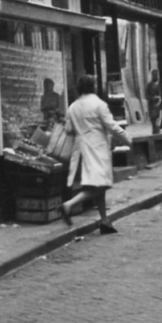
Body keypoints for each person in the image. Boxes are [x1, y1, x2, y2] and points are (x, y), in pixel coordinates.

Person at [59, 74, 130, 234]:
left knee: (98, 185)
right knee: (102, 185)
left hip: (81, 152)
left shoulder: (73, 107)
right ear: (93, 87)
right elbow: (112, 126)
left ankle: (105, 221)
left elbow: (68, 130)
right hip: (97, 150)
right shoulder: (99, 105)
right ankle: (68, 205)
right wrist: (127, 139)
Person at [144, 68, 162, 134]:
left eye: (156, 74)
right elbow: (146, 95)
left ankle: (158, 131)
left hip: (160, 105)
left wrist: (160, 98)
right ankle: (155, 133)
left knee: (159, 120)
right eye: (154, 75)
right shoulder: (149, 85)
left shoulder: (161, 84)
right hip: (152, 106)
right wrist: (153, 98)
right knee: (154, 121)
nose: (155, 76)